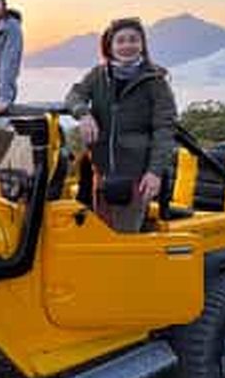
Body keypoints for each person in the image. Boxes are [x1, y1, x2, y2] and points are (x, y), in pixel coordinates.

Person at [64, 16, 177, 232]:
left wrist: (155, 172)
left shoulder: (155, 81)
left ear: (142, 45)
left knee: (124, 239)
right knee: (101, 233)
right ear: (110, 45)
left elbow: (164, 129)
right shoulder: (98, 75)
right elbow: (74, 95)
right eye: (121, 40)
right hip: (101, 173)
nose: (127, 45)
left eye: (133, 40)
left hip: (136, 175)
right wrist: (84, 114)